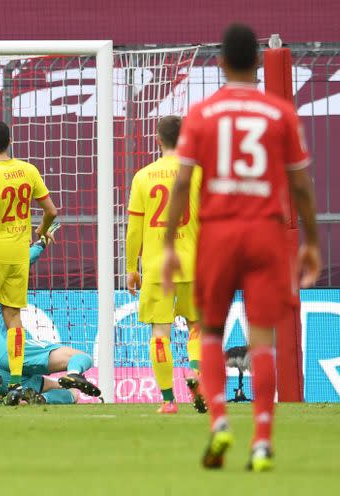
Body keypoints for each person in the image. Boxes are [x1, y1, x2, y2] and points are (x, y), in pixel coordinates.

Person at [162, 24, 321, 471]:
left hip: (217, 233)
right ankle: (263, 442)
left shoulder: (202, 114)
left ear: (220, 62)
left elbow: (182, 183)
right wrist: (310, 241)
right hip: (266, 232)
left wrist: (171, 240)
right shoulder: (278, 111)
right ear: (257, 62)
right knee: (263, 338)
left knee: (210, 331)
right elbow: (301, 185)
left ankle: (218, 424)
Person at [0, 120, 58, 406]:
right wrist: (41, 231)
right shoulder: (28, 171)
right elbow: (51, 210)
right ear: (10, 141)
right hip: (19, 255)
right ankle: (15, 383)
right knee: (13, 317)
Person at [126, 115, 206, 415]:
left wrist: (131, 267)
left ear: (158, 140)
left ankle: (169, 400)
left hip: (158, 266)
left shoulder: (143, 176)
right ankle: (197, 377)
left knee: (160, 333)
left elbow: (134, 229)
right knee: (197, 326)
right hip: (194, 264)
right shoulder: (197, 173)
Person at [0, 228, 101, 405]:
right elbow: (23, 263)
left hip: (3, 379)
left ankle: (36, 399)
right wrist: (41, 243)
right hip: (13, 355)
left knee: (63, 390)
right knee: (81, 359)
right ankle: (73, 372)